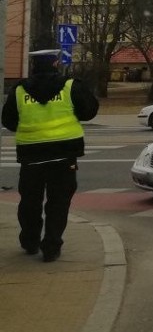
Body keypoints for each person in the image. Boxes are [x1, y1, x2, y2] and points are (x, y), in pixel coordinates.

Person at [2, 49, 99, 262]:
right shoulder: (70, 86)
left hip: (31, 156)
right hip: (64, 156)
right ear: (56, 64)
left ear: (34, 66)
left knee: (29, 201)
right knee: (58, 202)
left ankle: (30, 241)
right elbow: (89, 111)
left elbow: (8, 121)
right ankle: (51, 246)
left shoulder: (18, 90)